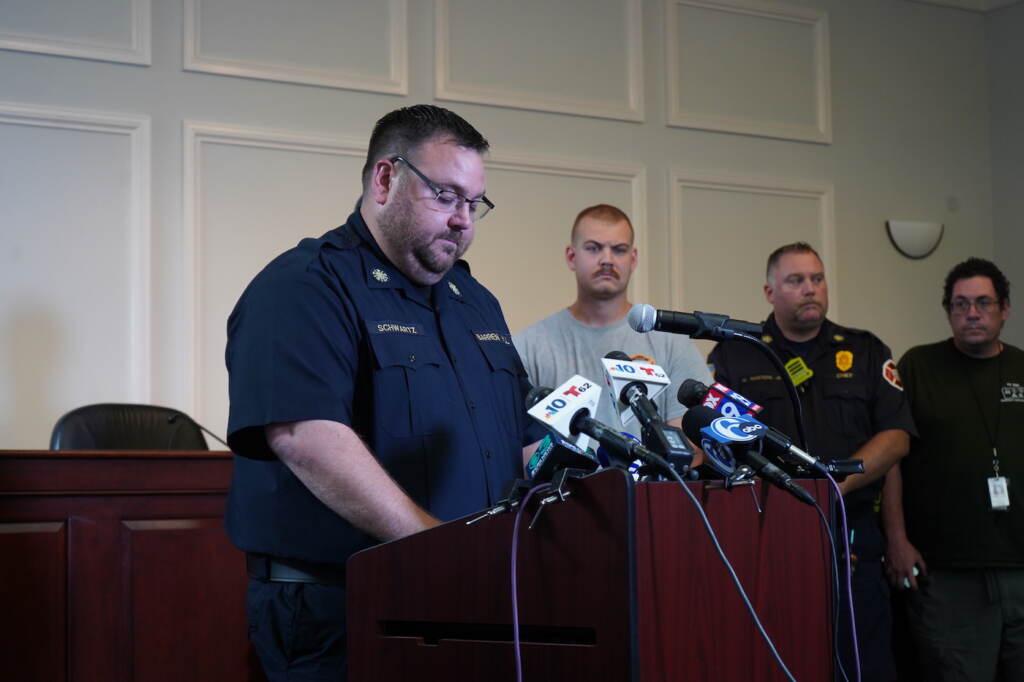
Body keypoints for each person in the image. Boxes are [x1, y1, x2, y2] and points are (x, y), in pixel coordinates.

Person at [223, 104, 545, 681]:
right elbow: (306, 436)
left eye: (475, 204)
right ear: (385, 179)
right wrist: (439, 549)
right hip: (339, 613)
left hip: (471, 598)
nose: (462, 220)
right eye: (445, 196)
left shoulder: (476, 303)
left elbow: (520, 436)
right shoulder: (304, 287)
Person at [707, 242, 914, 681]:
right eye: (795, 281)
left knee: (863, 665)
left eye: (817, 279)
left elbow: (896, 439)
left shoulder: (865, 352)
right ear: (769, 291)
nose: (810, 290)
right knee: (776, 663)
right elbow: (718, 446)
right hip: (766, 537)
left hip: (852, 536)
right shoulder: (737, 355)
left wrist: (831, 486)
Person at [886, 257, 1024, 681]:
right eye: (960, 304)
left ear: (1004, 309)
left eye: (983, 302)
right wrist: (897, 538)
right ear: (948, 310)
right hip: (946, 571)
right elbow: (892, 458)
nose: (972, 313)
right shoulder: (917, 367)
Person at [514, 204, 711, 433]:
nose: (607, 259)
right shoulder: (530, 346)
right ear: (571, 256)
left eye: (619, 250)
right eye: (594, 248)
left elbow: (693, 439)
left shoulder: (671, 342)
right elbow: (519, 444)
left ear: (633, 258)